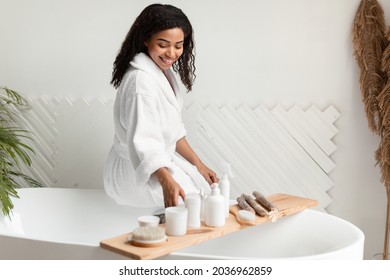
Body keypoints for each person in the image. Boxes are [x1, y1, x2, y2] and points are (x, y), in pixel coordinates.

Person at [104, 4, 218, 209]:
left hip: (157, 162)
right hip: (136, 171)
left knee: (208, 194)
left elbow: (173, 132)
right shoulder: (141, 82)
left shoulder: (162, 74)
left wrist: (198, 165)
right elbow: (145, 144)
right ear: (146, 39)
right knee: (195, 206)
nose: (172, 53)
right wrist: (166, 181)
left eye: (178, 45)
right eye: (163, 44)